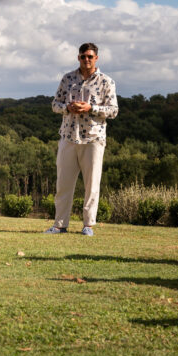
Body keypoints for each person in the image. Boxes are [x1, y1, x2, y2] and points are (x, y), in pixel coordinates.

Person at [44, 42, 118, 236]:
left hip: (93, 138)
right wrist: (67, 108)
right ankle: (59, 225)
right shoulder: (67, 79)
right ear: (78, 57)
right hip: (68, 136)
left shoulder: (106, 82)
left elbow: (113, 111)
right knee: (63, 184)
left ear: (96, 58)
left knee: (92, 185)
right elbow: (54, 104)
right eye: (83, 56)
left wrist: (90, 108)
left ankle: (88, 225)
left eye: (90, 57)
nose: (86, 60)